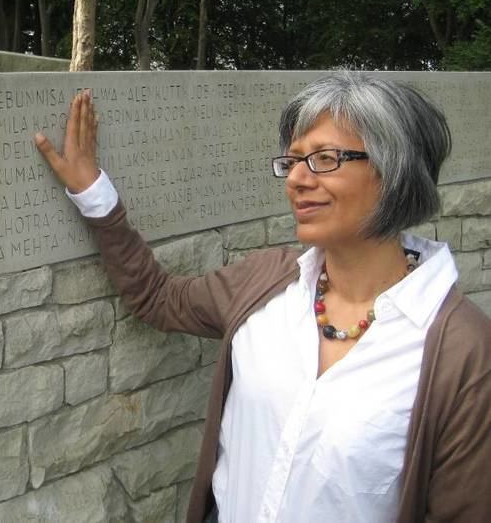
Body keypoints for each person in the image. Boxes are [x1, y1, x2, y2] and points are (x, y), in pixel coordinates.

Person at [34, 72, 491, 523]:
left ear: (395, 171)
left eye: (325, 159)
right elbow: (157, 297)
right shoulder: (267, 284)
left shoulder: (462, 352)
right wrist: (93, 192)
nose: (296, 180)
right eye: (292, 161)